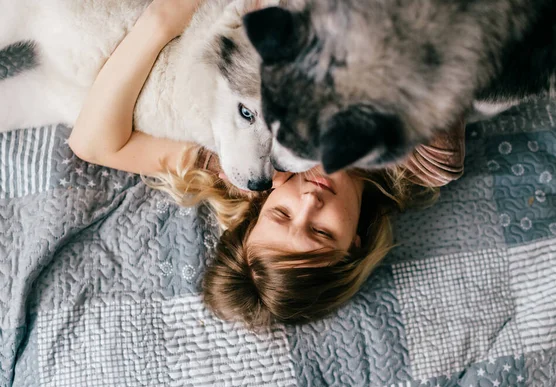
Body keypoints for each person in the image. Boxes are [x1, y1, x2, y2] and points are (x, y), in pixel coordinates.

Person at [69, 0, 466, 329]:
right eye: (321, 232)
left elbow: (94, 143)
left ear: (259, 207)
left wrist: (160, 21)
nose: (309, 202)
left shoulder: (245, 163)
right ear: (354, 245)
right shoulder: (427, 161)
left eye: (282, 214)